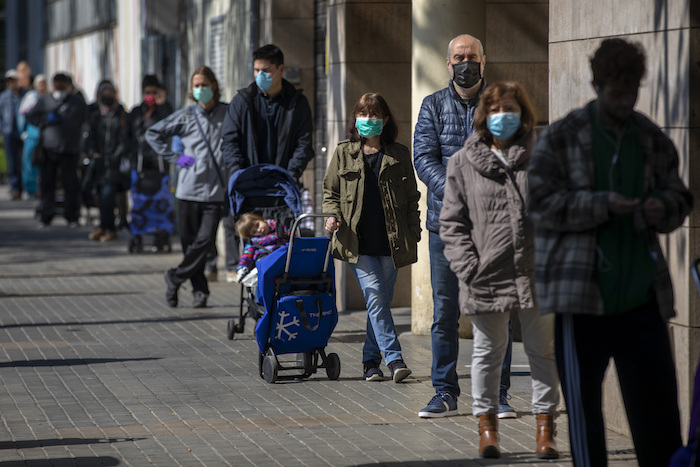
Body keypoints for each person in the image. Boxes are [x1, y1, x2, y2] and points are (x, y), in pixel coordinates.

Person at [528, 38, 691, 467]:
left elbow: (680, 197)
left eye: (633, 90)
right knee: (585, 417)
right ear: (597, 85)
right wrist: (600, 205)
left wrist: (663, 207)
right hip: (581, 302)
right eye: (616, 91)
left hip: (642, 299)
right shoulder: (562, 137)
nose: (625, 100)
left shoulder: (651, 139)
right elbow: (540, 204)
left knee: (658, 417)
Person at [440, 82, 559, 459]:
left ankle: (546, 427)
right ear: (484, 116)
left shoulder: (544, 157)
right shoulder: (463, 161)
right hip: (485, 273)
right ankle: (486, 427)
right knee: (488, 352)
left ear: (523, 114)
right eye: (495, 110)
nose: (502, 116)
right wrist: (468, 267)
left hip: (536, 270)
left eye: (510, 109)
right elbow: (452, 223)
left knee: (543, 350)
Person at [413, 34, 514, 419]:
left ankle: (498, 394)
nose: (465, 62)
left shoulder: (502, 104)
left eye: (471, 56)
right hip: (446, 226)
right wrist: (459, 191)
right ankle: (444, 392)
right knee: (445, 314)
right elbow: (424, 158)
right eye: (459, 57)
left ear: (484, 61)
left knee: (495, 310)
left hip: (493, 227)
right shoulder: (432, 105)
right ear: (447, 62)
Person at [323, 92, 420, 383]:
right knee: (376, 297)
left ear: (385, 119)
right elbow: (331, 192)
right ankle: (394, 359)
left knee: (378, 304)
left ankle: (369, 362)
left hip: (392, 243)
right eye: (363, 115)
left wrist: (413, 233)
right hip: (357, 242)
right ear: (356, 119)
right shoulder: (344, 152)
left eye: (375, 115)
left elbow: (413, 197)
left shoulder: (399, 154)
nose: (369, 120)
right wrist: (331, 215)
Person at [220, 44, 314, 283]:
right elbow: (229, 140)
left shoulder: (296, 102)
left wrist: (292, 173)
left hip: (283, 186)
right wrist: (238, 173)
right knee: (253, 242)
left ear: (280, 69)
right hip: (250, 187)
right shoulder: (243, 101)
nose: (260, 75)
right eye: (256, 70)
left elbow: (304, 142)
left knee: (285, 240)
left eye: (266, 70)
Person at [146, 65, 228, 309]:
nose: (200, 89)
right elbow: (152, 133)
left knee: (204, 242)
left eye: (204, 84)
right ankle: (199, 291)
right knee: (191, 246)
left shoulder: (229, 112)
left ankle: (175, 276)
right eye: (196, 86)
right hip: (187, 191)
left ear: (214, 85)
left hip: (215, 192)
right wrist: (174, 157)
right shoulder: (186, 115)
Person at [28, 73, 87, 228]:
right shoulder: (45, 100)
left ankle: (72, 217)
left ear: (69, 86)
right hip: (49, 149)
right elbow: (32, 117)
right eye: (58, 86)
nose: (60, 89)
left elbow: (86, 120)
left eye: (63, 86)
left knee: (71, 185)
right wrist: (46, 119)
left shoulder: (77, 102)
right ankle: (46, 216)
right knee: (48, 184)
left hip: (70, 149)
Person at [126, 74, 175, 237]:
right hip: (139, 163)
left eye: (154, 92)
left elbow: (171, 126)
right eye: (148, 92)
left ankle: (161, 232)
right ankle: (139, 231)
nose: (151, 96)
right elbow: (128, 134)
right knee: (140, 200)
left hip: (159, 164)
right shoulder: (136, 112)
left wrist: (162, 105)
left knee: (160, 200)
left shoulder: (164, 110)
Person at [83, 80, 128, 242]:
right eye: (105, 94)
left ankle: (110, 228)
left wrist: (118, 152)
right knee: (99, 196)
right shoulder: (96, 115)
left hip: (114, 164)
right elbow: (90, 137)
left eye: (110, 94)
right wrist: (92, 152)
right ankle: (104, 226)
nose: (107, 98)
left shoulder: (121, 114)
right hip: (99, 164)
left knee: (109, 195)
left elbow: (125, 137)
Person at [234, 213, 290, 288]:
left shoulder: (280, 229)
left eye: (257, 225)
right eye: (254, 232)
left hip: (284, 258)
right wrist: (242, 267)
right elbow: (246, 256)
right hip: (264, 261)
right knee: (261, 265)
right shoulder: (253, 242)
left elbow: (293, 238)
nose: (259, 230)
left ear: (261, 219)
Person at [18, 74, 47, 199]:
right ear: (35, 85)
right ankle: (30, 189)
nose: (42, 86)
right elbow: (22, 116)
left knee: (43, 164)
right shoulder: (30, 97)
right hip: (31, 134)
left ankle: (42, 189)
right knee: (29, 163)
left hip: (44, 135)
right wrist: (23, 132)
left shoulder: (48, 97)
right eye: (40, 84)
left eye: (44, 83)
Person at [0, 69, 26, 200]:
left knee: (23, 160)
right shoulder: (4, 97)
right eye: (9, 81)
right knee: (12, 161)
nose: (11, 83)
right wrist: (3, 129)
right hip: (9, 132)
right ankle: (15, 187)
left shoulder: (25, 95)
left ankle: (23, 186)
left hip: (22, 132)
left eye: (13, 80)